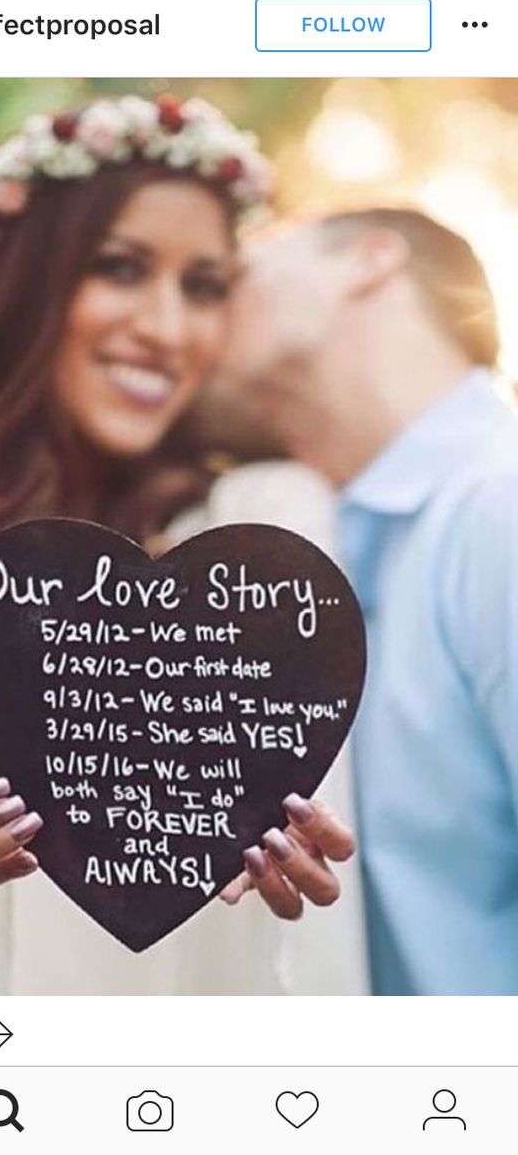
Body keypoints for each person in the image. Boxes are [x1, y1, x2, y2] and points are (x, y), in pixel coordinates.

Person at [0, 95, 365, 995]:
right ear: (18, 288)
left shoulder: (264, 523)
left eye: (203, 286)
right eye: (120, 267)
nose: (167, 329)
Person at [209, 207, 518, 995]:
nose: (194, 315)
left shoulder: (498, 507)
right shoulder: (293, 551)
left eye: (232, 272)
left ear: (370, 261)